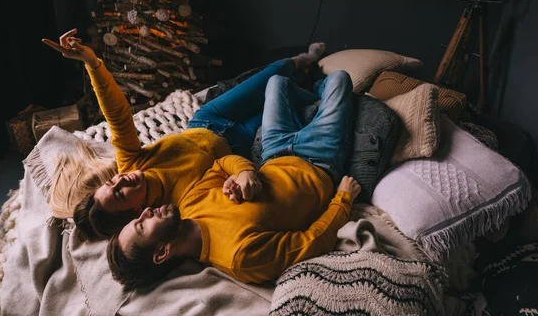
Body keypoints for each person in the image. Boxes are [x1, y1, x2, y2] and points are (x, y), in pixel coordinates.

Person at [42, 28, 325, 239]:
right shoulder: (175, 208)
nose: (121, 180)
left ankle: (303, 61)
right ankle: (312, 83)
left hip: (207, 121)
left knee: (275, 72)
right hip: (235, 144)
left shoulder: (131, 163)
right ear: (134, 213)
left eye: (112, 182)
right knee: (287, 100)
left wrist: (93, 63)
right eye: (120, 194)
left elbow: (117, 115)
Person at [107, 70, 361, 289]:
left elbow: (220, 164)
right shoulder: (241, 258)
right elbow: (310, 242)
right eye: (141, 225)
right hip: (319, 161)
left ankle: (315, 98)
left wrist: (242, 173)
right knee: (340, 78)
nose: (146, 212)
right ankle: (321, 99)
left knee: (277, 83)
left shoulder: (188, 205)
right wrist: (343, 199)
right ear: (162, 252)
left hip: (274, 152)